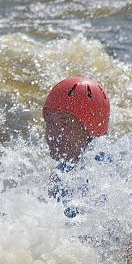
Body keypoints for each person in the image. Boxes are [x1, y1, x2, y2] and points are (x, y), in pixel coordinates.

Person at [43, 76, 111, 218]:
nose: (53, 133)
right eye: (49, 122)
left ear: (90, 128)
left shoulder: (101, 173)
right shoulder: (63, 169)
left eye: (64, 124)